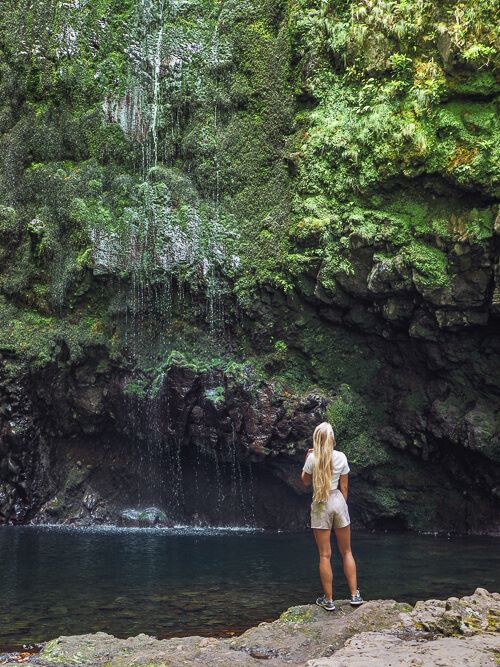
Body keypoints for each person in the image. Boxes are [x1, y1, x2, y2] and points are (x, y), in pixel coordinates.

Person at [301, 421, 363, 611]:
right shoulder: (341, 457)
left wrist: (307, 458)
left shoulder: (313, 459)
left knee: (325, 555)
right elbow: (344, 487)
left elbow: (304, 482)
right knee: (347, 552)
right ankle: (354, 595)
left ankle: (329, 600)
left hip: (320, 503)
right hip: (337, 500)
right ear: (332, 439)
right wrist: (341, 505)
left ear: (316, 439)